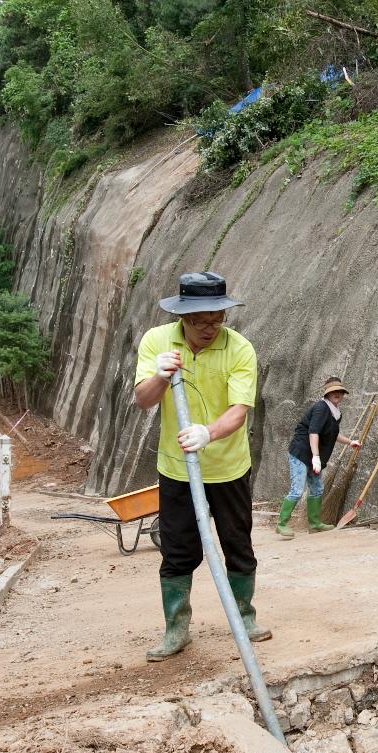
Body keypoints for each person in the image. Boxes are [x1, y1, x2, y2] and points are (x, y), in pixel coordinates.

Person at [133, 271, 269, 663]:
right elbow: (144, 400)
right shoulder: (157, 342)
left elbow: (239, 412)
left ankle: (244, 616)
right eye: (200, 319)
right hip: (176, 468)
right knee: (177, 550)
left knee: (238, 545)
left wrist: (208, 433)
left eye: (217, 317)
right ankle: (176, 628)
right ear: (183, 317)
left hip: (227, 467)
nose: (210, 327)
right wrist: (159, 376)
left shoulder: (240, 349)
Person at [276, 377, 362, 538]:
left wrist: (350, 442)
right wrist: (315, 456)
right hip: (301, 453)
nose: (337, 394)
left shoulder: (335, 413)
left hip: (313, 457)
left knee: (316, 488)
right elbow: (313, 432)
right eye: (333, 391)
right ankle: (281, 524)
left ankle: (314, 523)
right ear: (327, 394)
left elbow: (333, 434)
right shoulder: (321, 408)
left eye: (340, 391)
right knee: (297, 489)